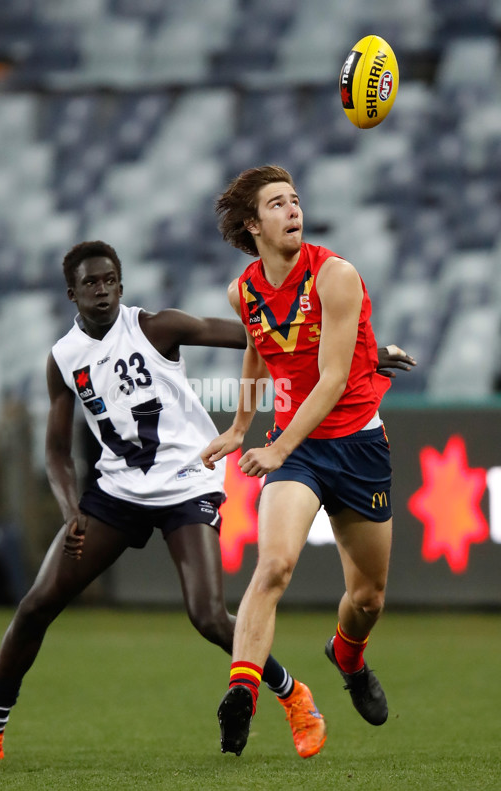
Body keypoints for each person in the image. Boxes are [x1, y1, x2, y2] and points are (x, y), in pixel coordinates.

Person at [0, 239, 331, 765]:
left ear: (122, 283)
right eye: (91, 283)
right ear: (71, 293)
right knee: (34, 607)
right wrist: (72, 509)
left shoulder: (156, 327)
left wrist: (360, 352)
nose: (102, 290)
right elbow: (55, 452)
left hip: (188, 482)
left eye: (110, 280)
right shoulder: (63, 359)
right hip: (117, 492)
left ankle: (296, 697)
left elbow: (260, 338)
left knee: (208, 616)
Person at [201, 165, 416, 757]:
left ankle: (347, 654)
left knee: (368, 597)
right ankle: (242, 693)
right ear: (253, 225)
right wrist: (241, 427)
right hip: (298, 454)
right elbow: (255, 350)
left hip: (356, 445)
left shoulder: (336, 275)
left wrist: (274, 445)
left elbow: (333, 380)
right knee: (274, 565)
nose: (293, 209)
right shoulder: (242, 290)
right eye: (277, 203)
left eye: (295, 200)